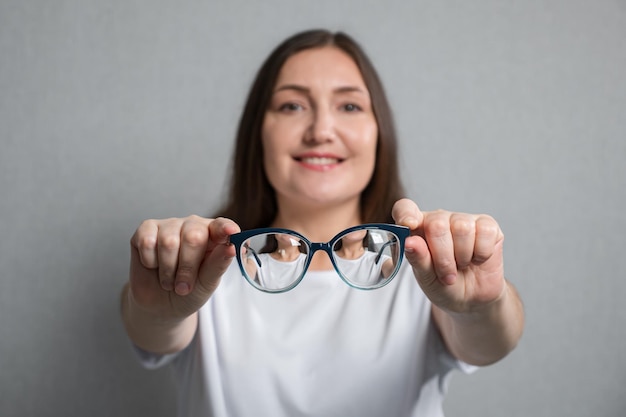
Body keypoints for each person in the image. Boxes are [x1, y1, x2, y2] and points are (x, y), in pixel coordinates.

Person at [121, 29, 524, 417]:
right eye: (292, 106)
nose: (321, 131)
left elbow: (489, 341)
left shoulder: (429, 268)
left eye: (349, 106)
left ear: (378, 132)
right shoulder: (201, 267)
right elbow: (154, 325)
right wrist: (161, 308)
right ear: (257, 132)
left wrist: (479, 308)